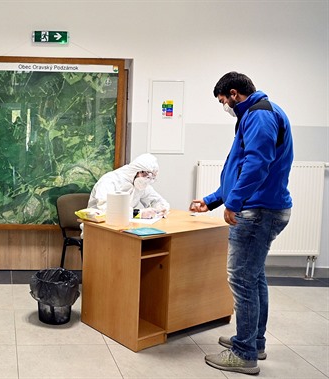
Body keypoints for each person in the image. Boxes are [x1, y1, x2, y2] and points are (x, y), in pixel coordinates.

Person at [191, 72, 293, 375]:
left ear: (234, 93)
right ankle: (253, 341)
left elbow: (256, 166)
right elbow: (238, 168)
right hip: (264, 207)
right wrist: (211, 200)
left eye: (224, 101)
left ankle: (244, 353)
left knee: (242, 280)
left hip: (257, 211)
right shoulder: (259, 113)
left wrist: (233, 204)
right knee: (254, 277)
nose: (224, 106)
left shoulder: (259, 116)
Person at [88, 153, 170, 218]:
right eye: (147, 176)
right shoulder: (110, 180)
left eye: (151, 178)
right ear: (137, 171)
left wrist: (161, 208)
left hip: (126, 226)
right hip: (99, 228)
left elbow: (155, 200)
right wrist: (138, 214)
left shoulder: (140, 183)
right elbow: (107, 209)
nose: (147, 180)